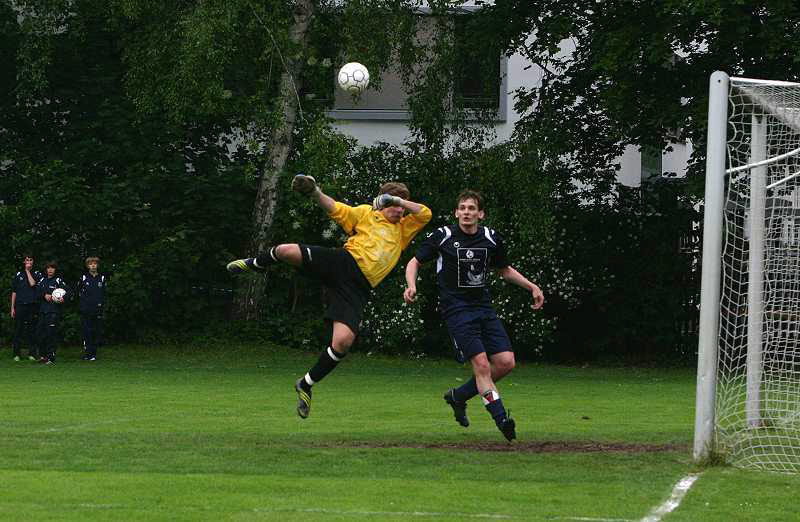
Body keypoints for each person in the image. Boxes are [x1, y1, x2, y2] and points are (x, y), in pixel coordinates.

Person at [227, 174, 432, 419]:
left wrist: (397, 199)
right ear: (382, 204)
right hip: (342, 263)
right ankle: (256, 264)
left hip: (358, 287)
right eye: (395, 205)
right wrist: (314, 191)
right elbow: (334, 208)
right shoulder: (366, 213)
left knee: (343, 342)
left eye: (402, 205)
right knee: (285, 250)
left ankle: (305, 384)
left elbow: (425, 214)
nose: (400, 210)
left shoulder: (404, 229)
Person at [403, 189, 544, 441]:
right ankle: (502, 420)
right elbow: (414, 262)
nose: (466, 212)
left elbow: (505, 269)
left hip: (483, 308)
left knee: (505, 362)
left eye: (471, 208)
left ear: (481, 214)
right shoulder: (443, 236)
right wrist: (411, 285)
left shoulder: (491, 238)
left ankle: (457, 396)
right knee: (481, 365)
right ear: (456, 212)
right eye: (462, 208)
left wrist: (532, 286)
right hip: (456, 310)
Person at [10, 254, 43, 361]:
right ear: (24, 262)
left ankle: (32, 354)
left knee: (32, 330)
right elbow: (14, 292)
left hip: (32, 305)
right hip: (20, 306)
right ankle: (16, 354)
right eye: (27, 260)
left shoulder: (37, 274)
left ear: (33, 262)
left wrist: (28, 271)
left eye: (30, 260)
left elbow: (33, 284)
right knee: (18, 330)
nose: (28, 261)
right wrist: (12, 308)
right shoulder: (18, 274)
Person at [36, 261, 68, 365]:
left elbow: (68, 291)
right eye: (48, 268)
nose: (50, 270)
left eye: (52, 268)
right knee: (40, 334)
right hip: (42, 311)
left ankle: (51, 357)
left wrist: (63, 298)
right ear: (46, 269)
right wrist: (44, 295)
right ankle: (43, 356)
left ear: (55, 270)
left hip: (53, 311)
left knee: (51, 335)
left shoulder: (58, 281)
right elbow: (37, 292)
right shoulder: (42, 280)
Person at [76, 256, 106, 361]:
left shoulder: (101, 278)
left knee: (95, 331)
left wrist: (101, 305)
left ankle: (93, 354)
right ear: (88, 266)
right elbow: (79, 292)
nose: (93, 265)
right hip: (86, 309)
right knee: (86, 331)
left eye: (95, 263)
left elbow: (103, 293)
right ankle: (87, 353)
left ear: (97, 265)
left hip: (97, 309)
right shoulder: (84, 277)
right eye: (91, 264)